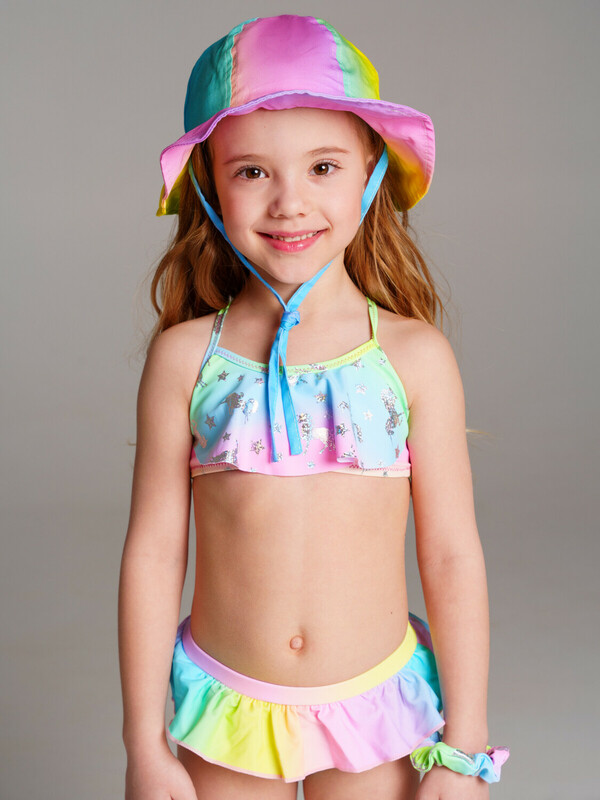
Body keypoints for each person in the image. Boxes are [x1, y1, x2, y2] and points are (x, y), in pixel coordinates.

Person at [118, 14, 510, 800]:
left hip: (376, 712)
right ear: (209, 185)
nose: (289, 202)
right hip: (227, 710)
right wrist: (143, 744)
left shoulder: (414, 357)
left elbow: (451, 556)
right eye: (251, 172)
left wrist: (463, 747)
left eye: (323, 166)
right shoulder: (187, 359)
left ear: (371, 172)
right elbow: (155, 553)